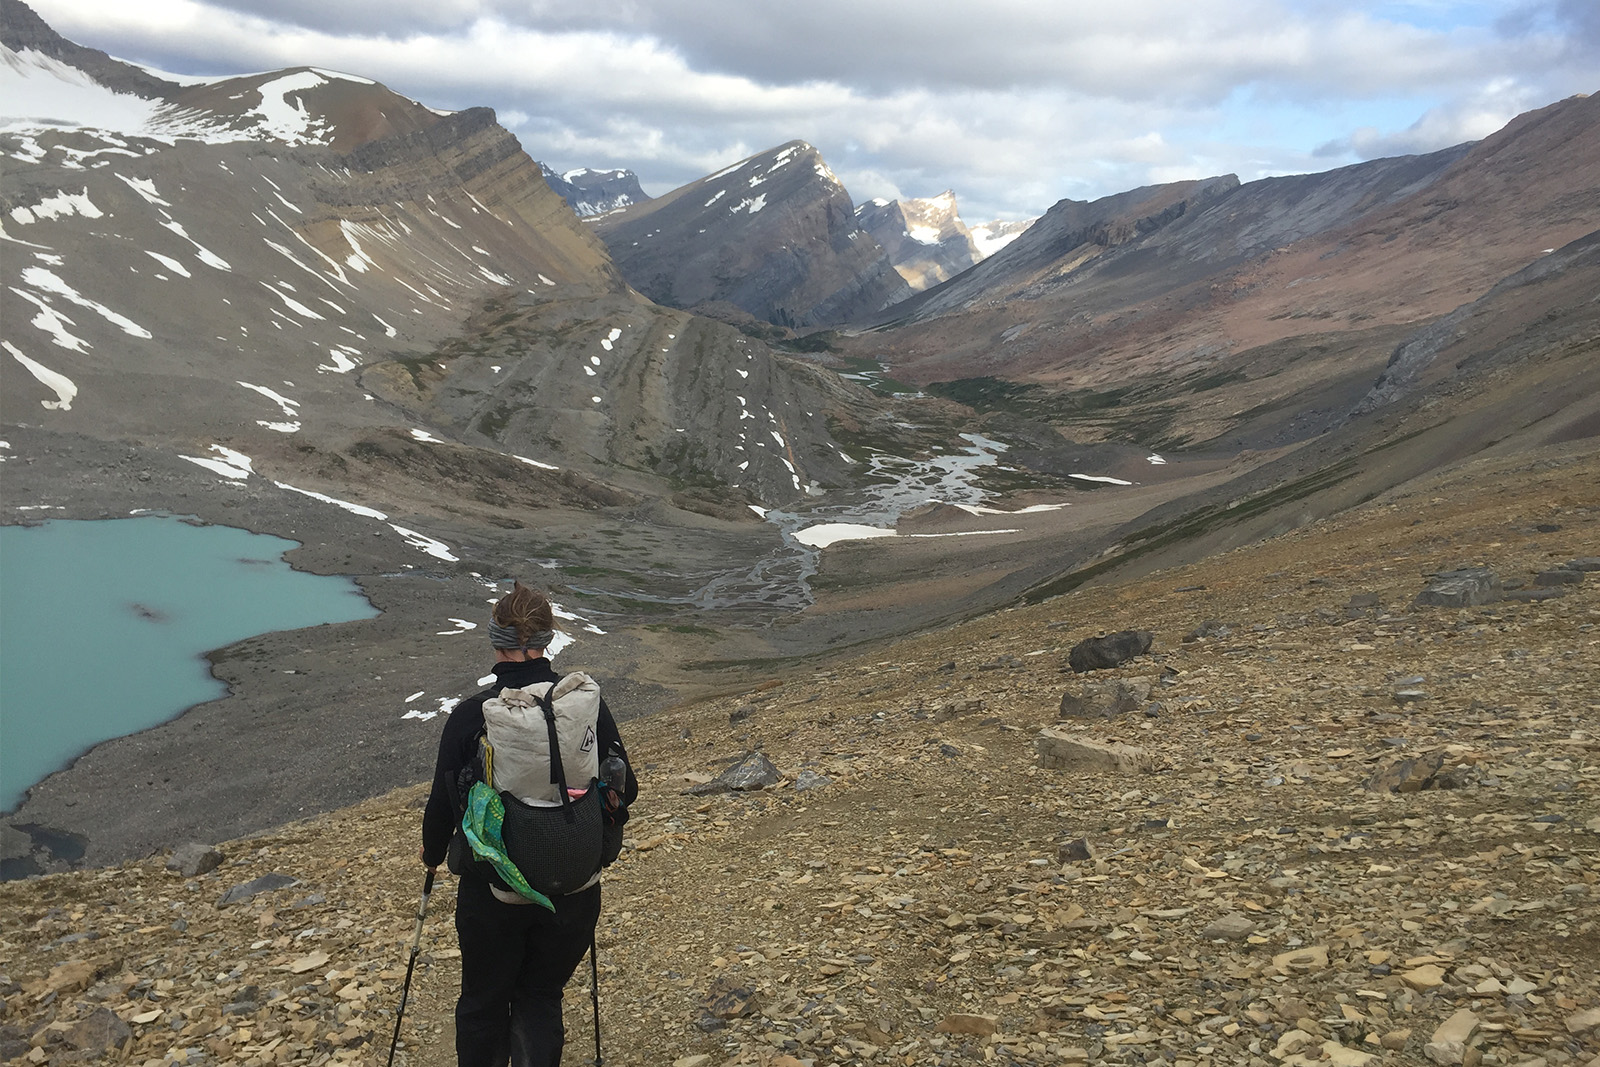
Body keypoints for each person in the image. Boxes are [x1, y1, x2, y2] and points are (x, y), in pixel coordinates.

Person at [421, 581, 637, 1067]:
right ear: (548, 640)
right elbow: (628, 788)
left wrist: (433, 855)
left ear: (497, 641)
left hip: (493, 891)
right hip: (576, 886)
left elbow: (441, 805)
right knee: (541, 995)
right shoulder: (584, 705)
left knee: (484, 1002)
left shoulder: (473, 715)